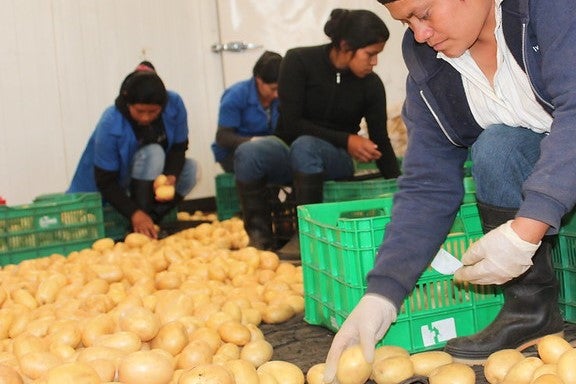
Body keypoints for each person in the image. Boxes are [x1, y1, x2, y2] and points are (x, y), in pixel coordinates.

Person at [323, 0, 576, 380]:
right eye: (407, 21)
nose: (420, 34)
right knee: (498, 147)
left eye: (423, 13)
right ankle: (532, 313)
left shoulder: (549, 9)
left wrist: (527, 228)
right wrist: (384, 293)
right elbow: (427, 185)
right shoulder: (432, 67)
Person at [234, 8, 401, 256]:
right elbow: (291, 123)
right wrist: (347, 138)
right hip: (288, 148)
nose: (374, 62)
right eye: (370, 54)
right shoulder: (298, 61)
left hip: (335, 158)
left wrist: (400, 187)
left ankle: (305, 238)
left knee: (307, 147)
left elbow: (380, 140)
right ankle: (259, 240)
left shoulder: (371, 85)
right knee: (248, 153)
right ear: (345, 46)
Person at [68, 61, 198, 239]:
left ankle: (150, 222)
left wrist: (171, 175)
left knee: (191, 170)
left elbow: (178, 147)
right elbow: (106, 181)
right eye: (139, 111)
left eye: (153, 112)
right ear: (128, 104)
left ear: (162, 106)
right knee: (154, 153)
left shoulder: (174, 104)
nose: (146, 117)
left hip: (141, 182)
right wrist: (134, 212)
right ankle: (137, 220)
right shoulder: (111, 121)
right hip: (107, 187)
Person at [211, 51, 282, 173]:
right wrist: (253, 141)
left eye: (279, 88)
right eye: (273, 89)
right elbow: (222, 137)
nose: (276, 94)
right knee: (257, 160)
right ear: (258, 80)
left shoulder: (282, 95)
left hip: (268, 149)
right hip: (234, 152)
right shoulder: (236, 95)